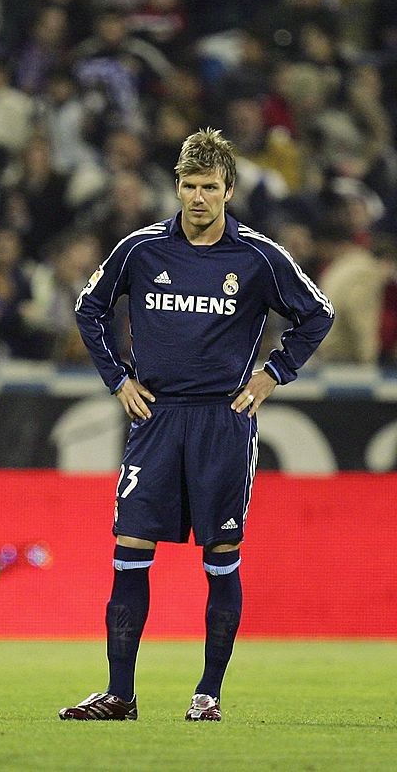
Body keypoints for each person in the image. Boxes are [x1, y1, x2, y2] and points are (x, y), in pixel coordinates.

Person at [65, 128, 334, 723]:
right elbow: (89, 307)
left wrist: (274, 374)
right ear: (177, 188)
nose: (197, 198)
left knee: (222, 551)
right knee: (130, 550)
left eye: (209, 187)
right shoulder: (141, 249)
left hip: (222, 422)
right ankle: (119, 695)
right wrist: (117, 379)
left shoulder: (259, 257)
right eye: (188, 185)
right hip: (155, 417)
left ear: (229, 190)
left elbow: (318, 314)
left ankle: (207, 694)